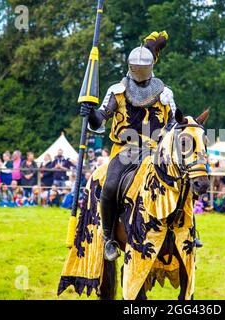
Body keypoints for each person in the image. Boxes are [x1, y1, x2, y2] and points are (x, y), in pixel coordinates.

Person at [80, 31, 177, 261]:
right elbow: (101, 118)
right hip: (125, 152)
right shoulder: (118, 91)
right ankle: (109, 239)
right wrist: (90, 113)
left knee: (184, 180)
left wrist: (169, 139)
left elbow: (174, 121)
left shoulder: (164, 93)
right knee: (110, 186)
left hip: (156, 152)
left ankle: (187, 232)